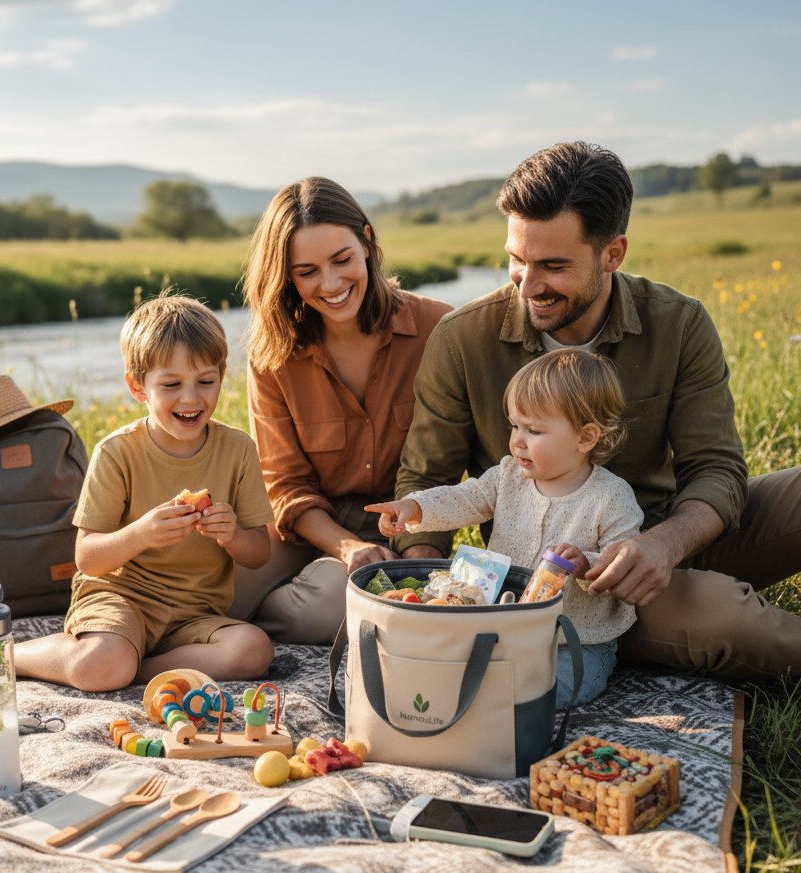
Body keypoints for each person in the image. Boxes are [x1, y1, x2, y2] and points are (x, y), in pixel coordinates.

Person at [396, 141, 801, 682]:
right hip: (583, 591)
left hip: (675, 530)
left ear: (613, 253)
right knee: (730, 620)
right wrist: (438, 600)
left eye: (553, 265)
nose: (529, 284)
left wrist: (663, 543)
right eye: (517, 259)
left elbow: (717, 470)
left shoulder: (679, 324)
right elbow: (425, 478)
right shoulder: (462, 339)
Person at [229, 176, 453, 643]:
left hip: (405, 530)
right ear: (286, 276)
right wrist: (347, 546)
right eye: (306, 271)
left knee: (328, 604)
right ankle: (230, 621)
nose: (330, 284)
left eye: (342, 260)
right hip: (309, 529)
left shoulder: (440, 330)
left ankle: (252, 628)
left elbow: (453, 465)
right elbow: (285, 485)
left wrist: (415, 548)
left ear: (367, 242)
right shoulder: (273, 354)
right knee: (206, 584)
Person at [14, 294, 274, 691]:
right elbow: (87, 558)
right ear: (138, 387)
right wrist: (142, 533)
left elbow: (259, 554)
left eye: (206, 381)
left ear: (222, 376)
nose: (191, 398)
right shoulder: (118, 452)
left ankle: (136, 665)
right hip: (120, 599)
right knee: (97, 665)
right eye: (171, 384)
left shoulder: (237, 449)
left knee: (253, 650)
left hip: (195, 614)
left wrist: (233, 535)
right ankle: (6, 655)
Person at [368, 348, 642, 707]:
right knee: (462, 665)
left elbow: (624, 560)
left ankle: (507, 701)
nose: (518, 440)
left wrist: (587, 563)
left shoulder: (611, 497)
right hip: (502, 628)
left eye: (535, 430)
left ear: (586, 437)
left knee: (553, 686)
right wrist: (415, 507)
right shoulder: (508, 478)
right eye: (515, 425)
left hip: (576, 639)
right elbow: (464, 498)